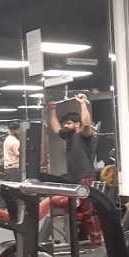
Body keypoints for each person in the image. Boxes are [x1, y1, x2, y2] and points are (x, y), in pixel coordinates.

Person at [49, 94, 102, 246]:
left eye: (69, 123)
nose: (65, 126)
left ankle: (96, 242)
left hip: (85, 176)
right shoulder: (69, 137)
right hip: (73, 178)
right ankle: (84, 239)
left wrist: (82, 103)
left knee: (89, 211)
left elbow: (86, 124)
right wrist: (52, 110)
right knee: (77, 212)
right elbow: (56, 128)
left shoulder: (84, 135)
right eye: (65, 124)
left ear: (77, 124)